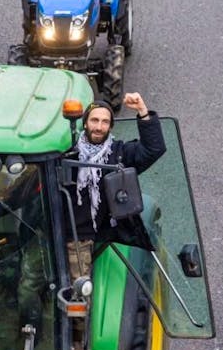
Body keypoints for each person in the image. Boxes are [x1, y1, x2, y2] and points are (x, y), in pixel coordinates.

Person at [63, 92, 166, 280]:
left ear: (110, 126)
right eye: (94, 120)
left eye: (104, 122)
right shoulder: (67, 151)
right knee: (28, 285)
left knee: (78, 293)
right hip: (53, 229)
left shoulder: (119, 154)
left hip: (82, 237)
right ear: (85, 123)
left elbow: (154, 149)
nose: (99, 127)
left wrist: (142, 111)